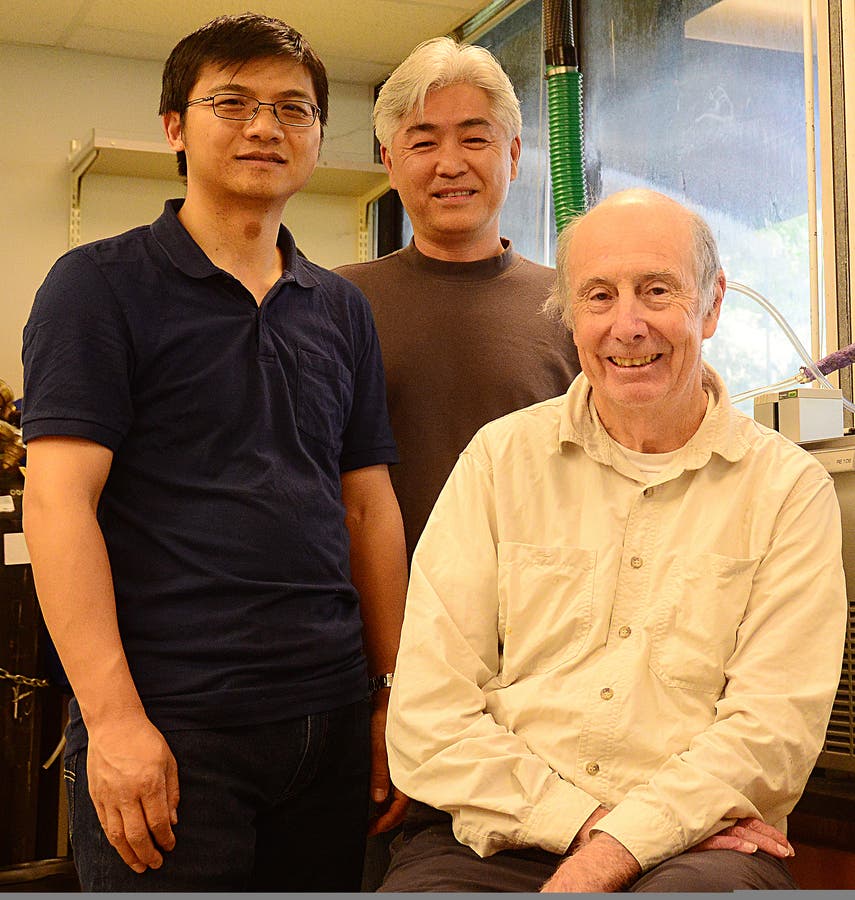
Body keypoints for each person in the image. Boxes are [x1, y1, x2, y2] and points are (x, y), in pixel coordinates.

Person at [21, 13, 407, 893]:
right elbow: (57, 505)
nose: (266, 126)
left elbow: (363, 505)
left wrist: (388, 693)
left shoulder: (339, 308)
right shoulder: (100, 286)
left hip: (330, 716)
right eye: (231, 102)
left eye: (294, 109)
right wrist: (115, 723)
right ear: (175, 128)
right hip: (173, 723)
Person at [380, 188, 847, 892]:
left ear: (712, 304)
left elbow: (769, 734)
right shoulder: (498, 461)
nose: (626, 326)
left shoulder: (786, 489)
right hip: (498, 827)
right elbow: (428, 715)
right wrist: (594, 829)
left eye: (656, 291)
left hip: (701, 845)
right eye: (598, 297)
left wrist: (625, 847)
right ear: (570, 316)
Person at [336, 37, 580, 562]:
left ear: (513, 155)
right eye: (423, 143)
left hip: (542, 616)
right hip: (372, 619)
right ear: (389, 162)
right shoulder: (335, 303)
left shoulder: (574, 305)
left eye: (474, 139)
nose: (449, 164)